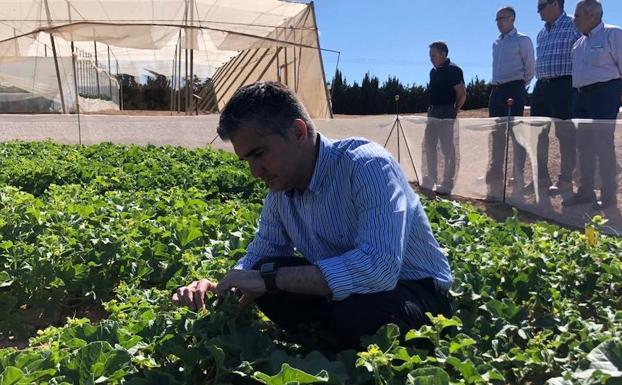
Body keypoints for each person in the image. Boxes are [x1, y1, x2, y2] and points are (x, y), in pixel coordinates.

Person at [172, 81, 454, 351]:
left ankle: (330, 338)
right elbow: (259, 257)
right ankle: (331, 339)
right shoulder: (280, 191)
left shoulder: (367, 166)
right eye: (247, 160)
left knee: (353, 310)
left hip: (415, 294)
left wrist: (270, 279)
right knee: (266, 268)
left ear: (298, 132)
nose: (254, 172)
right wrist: (221, 286)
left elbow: (379, 269)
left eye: (259, 154)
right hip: (346, 297)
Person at [562, 0, 622, 209]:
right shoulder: (578, 44)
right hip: (581, 96)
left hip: (605, 93)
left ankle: (608, 197)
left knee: (603, 144)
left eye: (578, 15)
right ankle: (585, 191)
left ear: (593, 15)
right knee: (584, 146)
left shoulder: (613, 34)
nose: (575, 20)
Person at [531, 0, 581, 196]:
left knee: (565, 135)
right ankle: (542, 178)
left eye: (541, 6)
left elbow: (583, 53)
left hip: (565, 85)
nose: (538, 11)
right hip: (542, 86)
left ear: (555, 4)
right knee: (539, 135)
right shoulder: (541, 33)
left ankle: (566, 179)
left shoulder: (572, 24)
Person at [486, 6, 535, 199]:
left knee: (516, 133)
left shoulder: (522, 40)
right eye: (497, 19)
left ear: (513, 19)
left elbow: (530, 67)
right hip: (496, 90)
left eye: (503, 18)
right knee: (496, 132)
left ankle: (518, 174)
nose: (499, 22)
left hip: (514, 88)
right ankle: (496, 172)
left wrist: (520, 86)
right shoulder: (496, 43)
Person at [422, 41, 466, 195]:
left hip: (447, 112)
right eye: (430, 56)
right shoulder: (433, 72)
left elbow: (461, 94)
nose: (431, 59)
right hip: (432, 113)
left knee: (448, 148)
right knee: (430, 146)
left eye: (433, 55)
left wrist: (454, 111)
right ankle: (431, 177)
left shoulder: (454, 70)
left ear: (443, 54)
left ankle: (447, 181)